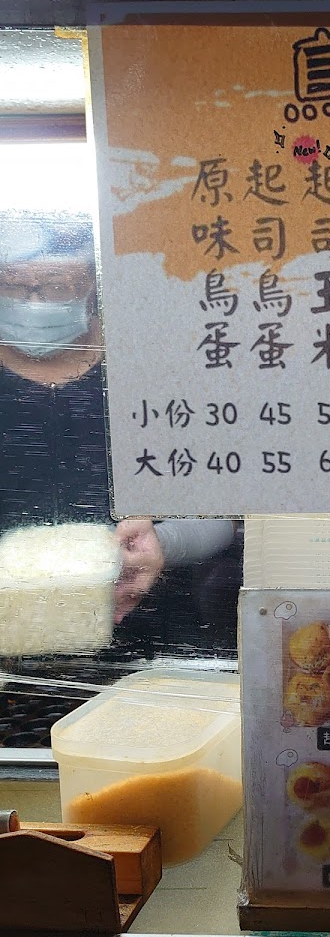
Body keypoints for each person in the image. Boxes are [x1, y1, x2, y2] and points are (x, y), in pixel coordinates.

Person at [0, 209, 240, 744]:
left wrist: (164, 544)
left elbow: (230, 513)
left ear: (93, 281)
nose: (34, 301)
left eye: (56, 285)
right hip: (9, 673)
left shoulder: (155, 367)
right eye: (14, 286)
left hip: (164, 655)